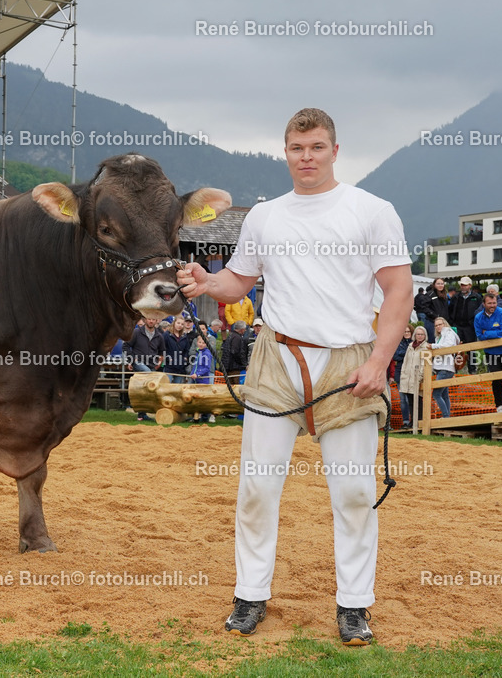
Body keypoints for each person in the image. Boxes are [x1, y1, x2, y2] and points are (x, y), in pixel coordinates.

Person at [176, 108, 413, 645]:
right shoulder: (265, 216)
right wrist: (206, 282)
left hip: (349, 362)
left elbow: (399, 290)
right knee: (258, 486)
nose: (307, 157)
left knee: (353, 492)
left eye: (317, 147)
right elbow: (239, 282)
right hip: (275, 358)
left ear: (334, 150)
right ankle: (250, 595)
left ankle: (354, 606)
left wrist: (378, 363)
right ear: (285, 152)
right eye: (297, 148)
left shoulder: (372, 210)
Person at [474, 293, 502, 412]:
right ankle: (499, 406)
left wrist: (487, 333)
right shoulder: (478, 317)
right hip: (491, 353)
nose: (492, 305)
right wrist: (491, 333)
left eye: (494, 303)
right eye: (489, 303)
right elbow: (479, 336)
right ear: (484, 304)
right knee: (496, 380)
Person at [125, 317, 166, 421]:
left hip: (152, 364)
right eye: (149, 319)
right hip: (138, 362)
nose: (151, 321)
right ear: (145, 320)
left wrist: (159, 363)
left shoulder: (159, 336)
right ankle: (142, 413)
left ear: (157, 321)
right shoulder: (137, 332)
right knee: (148, 374)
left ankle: (142, 414)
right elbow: (125, 346)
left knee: (146, 390)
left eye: (153, 319)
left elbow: (162, 352)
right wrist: (130, 360)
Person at [398, 325, 430, 429]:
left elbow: (424, 364)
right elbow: (405, 361)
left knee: (418, 401)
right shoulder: (410, 346)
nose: (419, 336)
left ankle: (419, 422)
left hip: (417, 378)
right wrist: (403, 374)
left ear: (425, 335)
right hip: (407, 377)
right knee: (410, 401)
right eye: (418, 334)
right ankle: (412, 422)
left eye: (421, 334)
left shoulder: (426, 347)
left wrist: (420, 376)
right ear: (415, 335)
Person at [428, 317, 458, 418]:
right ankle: (447, 416)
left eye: (440, 324)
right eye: (436, 325)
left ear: (444, 324)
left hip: (446, 368)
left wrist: (433, 346)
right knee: (444, 394)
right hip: (443, 368)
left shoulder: (449, 333)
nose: (438, 327)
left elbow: (448, 345)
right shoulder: (439, 337)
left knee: (436, 394)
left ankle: (445, 416)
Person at [449, 276, 481, 347]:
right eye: (462, 285)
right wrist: (452, 322)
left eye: (465, 285)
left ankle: (471, 358)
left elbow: (480, 311)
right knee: (457, 348)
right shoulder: (455, 297)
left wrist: (473, 323)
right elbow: (450, 309)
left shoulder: (477, 297)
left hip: (470, 328)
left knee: (471, 348)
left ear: (470, 285)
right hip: (457, 326)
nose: (463, 287)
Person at [163, 316, 192, 384]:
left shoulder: (184, 336)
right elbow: (162, 348)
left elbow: (187, 349)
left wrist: (185, 358)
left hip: (180, 367)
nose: (180, 325)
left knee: (178, 389)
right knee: (167, 386)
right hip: (169, 366)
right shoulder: (167, 335)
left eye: (182, 324)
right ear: (174, 323)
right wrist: (168, 358)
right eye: (178, 323)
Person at [424, 277, 448, 343]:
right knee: (433, 341)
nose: (440, 285)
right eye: (438, 284)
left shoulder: (445, 296)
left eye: (442, 284)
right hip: (432, 322)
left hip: (443, 323)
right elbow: (425, 308)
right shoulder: (430, 294)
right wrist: (435, 316)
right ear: (434, 285)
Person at [391, 325, 412, 389]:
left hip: (411, 372)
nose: (406, 333)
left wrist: (402, 353)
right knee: (402, 396)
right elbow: (395, 356)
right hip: (400, 371)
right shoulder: (398, 343)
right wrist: (407, 354)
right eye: (404, 332)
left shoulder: (414, 342)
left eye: (408, 331)